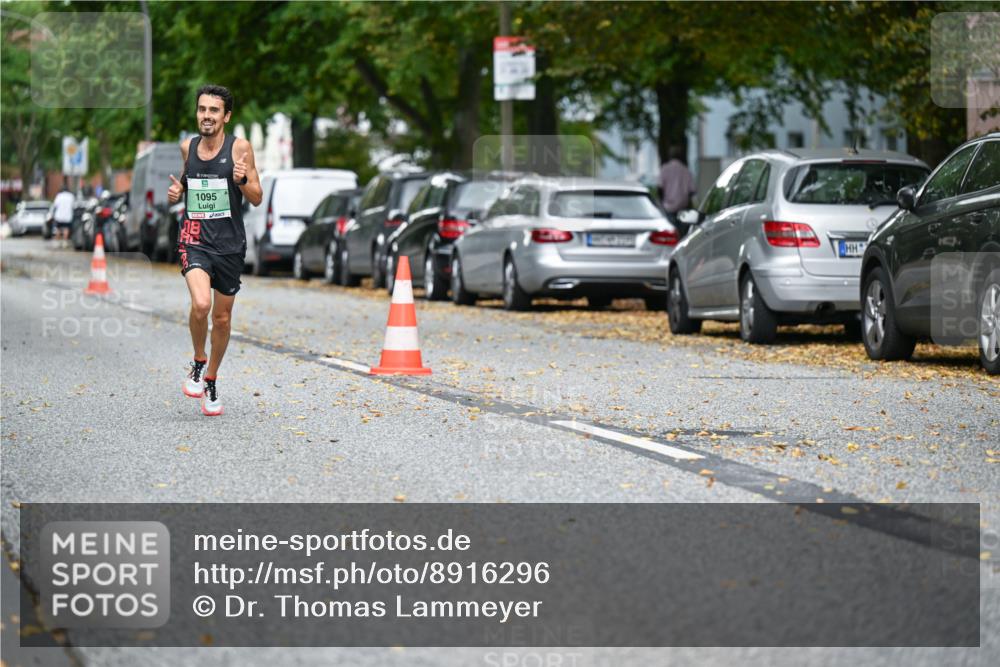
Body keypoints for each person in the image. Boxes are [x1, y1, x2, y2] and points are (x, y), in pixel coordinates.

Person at [167, 84, 262, 416]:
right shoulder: (187, 147)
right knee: (201, 304)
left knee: (221, 318)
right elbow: (187, 181)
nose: (206, 116)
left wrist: (241, 180)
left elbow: (257, 196)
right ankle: (198, 359)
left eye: (213, 111)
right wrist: (178, 191)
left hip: (229, 245)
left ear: (226, 116)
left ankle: (210, 379)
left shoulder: (240, 148)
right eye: (202, 109)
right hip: (194, 238)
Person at [659, 145, 696, 237]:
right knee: (683, 236)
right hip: (683, 208)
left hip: (668, 207)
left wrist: (662, 202)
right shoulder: (686, 170)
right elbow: (692, 190)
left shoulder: (664, 169)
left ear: (670, 156)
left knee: (671, 235)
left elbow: (660, 188)